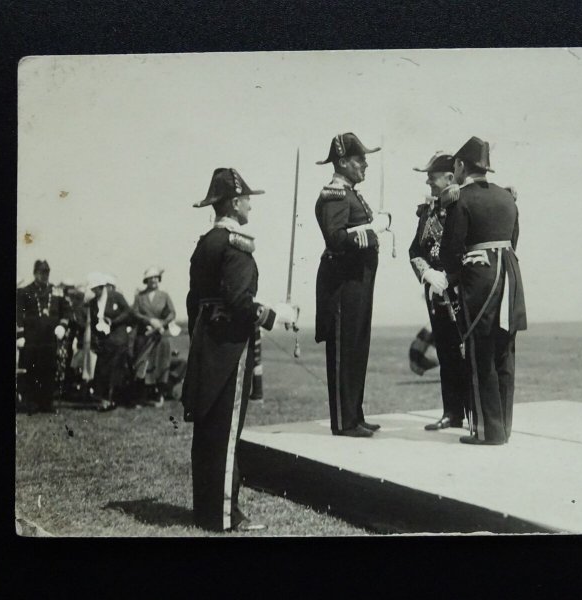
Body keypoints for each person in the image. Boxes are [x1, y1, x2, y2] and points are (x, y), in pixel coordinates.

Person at [181, 167, 298, 533]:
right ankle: (225, 516)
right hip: (230, 347)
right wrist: (275, 315)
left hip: (205, 342)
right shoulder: (236, 243)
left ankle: (205, 512)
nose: (251, 205)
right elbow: (237, 299)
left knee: (207, 430)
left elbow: (193, 299)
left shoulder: (204, 244)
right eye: (247, 199)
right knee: (227, 432)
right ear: (234, 203)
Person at [439, 136, 527, 445]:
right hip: (510, 277)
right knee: (504, 352)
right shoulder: (507, 197)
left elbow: (449, 252)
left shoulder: (460, 199)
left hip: (480, 280)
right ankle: (502, 427)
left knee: (479, 353)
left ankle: (486, 432)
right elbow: (514, 239)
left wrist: (458, 268)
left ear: (462, 166)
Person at [314, 132, 391, 438]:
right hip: (343, 283)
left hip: (357, 282)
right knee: (345, 348)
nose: (366, 165)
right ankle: (345, 421)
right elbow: (335, 237)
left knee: (357, 346)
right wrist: (372, 232)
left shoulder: (351, 193)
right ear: (343, 162)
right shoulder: (335, 194)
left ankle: (354, 415)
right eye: (360, 160)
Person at [409, 151, 471, 430]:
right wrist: (426, 273)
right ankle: (452, 413)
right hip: (437, 293)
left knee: (467, 353)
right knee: (446, 352)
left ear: (450, 177)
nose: (428, 184)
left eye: (432, 178)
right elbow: (415, 250)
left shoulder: (466, 204)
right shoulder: (428, 213)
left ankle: (475, 413)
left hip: (463, 292)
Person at [16, 260, 70, 413]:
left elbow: (66, 311)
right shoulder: (24, 291)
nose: (45, 275)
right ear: (35, 273)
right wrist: (19, 334)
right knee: (32, 369)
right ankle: (31, 402)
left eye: (47, 272)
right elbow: (19, 314)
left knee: (49, 369)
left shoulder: (57, 291)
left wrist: (63, 326)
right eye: (41, 272)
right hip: (31, 337)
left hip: (49, 338)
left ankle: (46, 403)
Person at [86, 272, 134, 411]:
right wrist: (96, 340)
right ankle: (104, 399)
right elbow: (94, 322)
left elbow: (128, 312)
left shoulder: (116, 297)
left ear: (103, 287)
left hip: (118, 339)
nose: (96, 292)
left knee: (116, 370)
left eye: (98, 289)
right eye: (93, 290)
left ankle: (112, 399)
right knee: (102, 370)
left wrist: (113, 321)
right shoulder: (93, 303)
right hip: (104, 341)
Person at [131, 266, 176, 407]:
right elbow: (135, 313)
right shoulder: (140, 296)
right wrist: (149, 321)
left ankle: (159, 395)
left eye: (156, 278)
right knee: (142, 365)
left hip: (160, 337)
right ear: (146, 280)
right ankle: (140, 397)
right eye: (151, 278)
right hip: (144, 336)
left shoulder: (164, 295)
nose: (154, 281)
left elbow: (172, 313)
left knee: (161, 365)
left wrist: (162, 323)